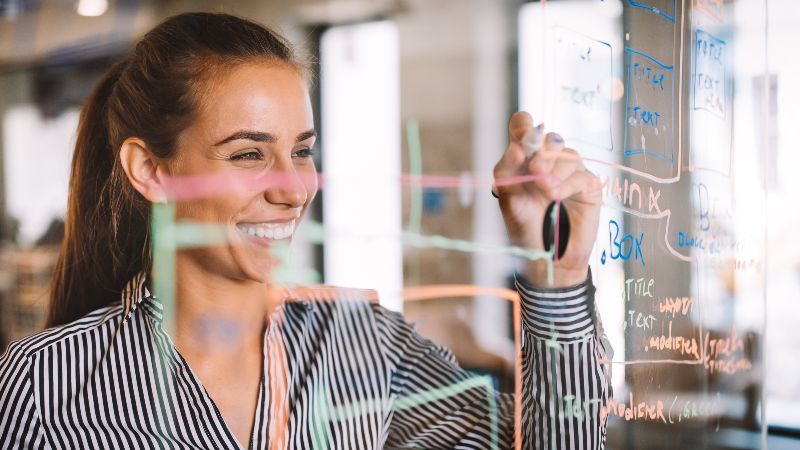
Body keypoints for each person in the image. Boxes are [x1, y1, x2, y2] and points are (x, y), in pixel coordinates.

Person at [0, 12, 611, 450]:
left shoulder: (361, 344)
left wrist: (555, 270)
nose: (293, 189)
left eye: (302, 150)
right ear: (151, 170)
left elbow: (558, 440)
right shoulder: (44, 384)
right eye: (247, 154)